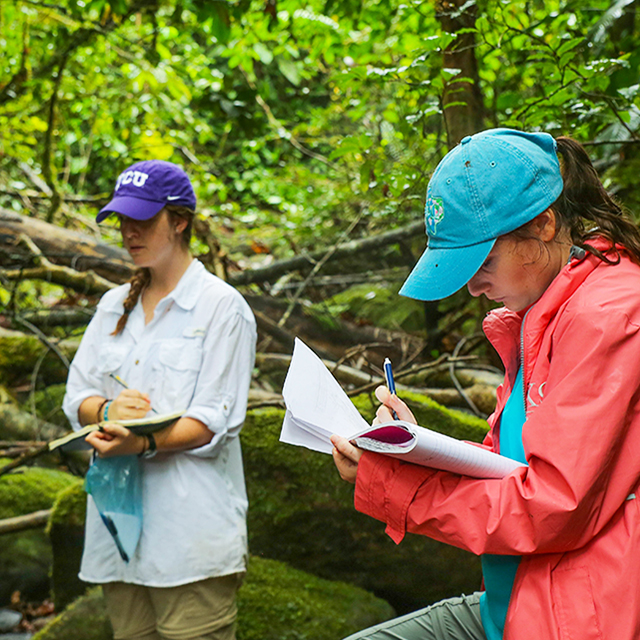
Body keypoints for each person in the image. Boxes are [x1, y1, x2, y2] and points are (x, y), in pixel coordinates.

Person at [330, 128, 640, 640]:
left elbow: (548, 506)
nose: (473, 286)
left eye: (482, 263)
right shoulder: (544, 313)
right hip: (515, 600)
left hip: (576, 618)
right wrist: (412, 448)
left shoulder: (606, 318)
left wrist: (397, 485)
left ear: (543, 225)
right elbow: (508, 466)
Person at [62, 160, 257, 640]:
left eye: (143, 220)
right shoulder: (112, 306)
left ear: (180, 220)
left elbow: (213, 423)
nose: (130, 232)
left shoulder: (222, 308)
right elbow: (77, 397)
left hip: (190, 544)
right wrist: (107, 412)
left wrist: (141, 443)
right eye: (123, 220)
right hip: (119, 542)